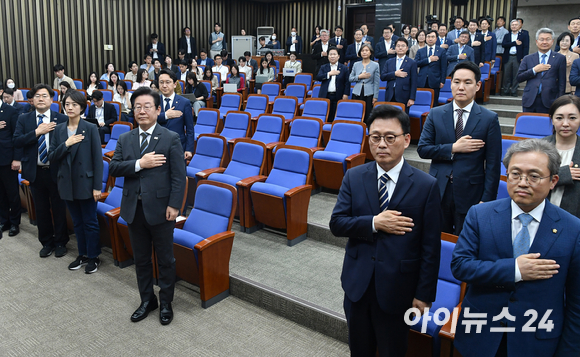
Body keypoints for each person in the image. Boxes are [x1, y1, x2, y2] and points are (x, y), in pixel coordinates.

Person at [329, 104, 441, 357]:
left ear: (406, 139)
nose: (382, 144)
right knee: (359, 349)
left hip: (399, 288)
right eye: (375, 137)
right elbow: (337, 224)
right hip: (357, 285)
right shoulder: (354, 177)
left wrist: (424, 295)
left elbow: (430, 246)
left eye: (390, 138)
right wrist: (373, 223)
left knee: (393, 350)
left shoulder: (426, 185)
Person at [451, 138, 580, 357]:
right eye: (515, 174)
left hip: (538, 340)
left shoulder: (572, 228)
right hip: (481, 335)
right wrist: (515, 270)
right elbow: (461, 266)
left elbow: (576, 303)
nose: (523, 182)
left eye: (534, 176)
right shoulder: (480, 215)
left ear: (553, 181)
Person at [109, 86, 186, 326]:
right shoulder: (125, 138)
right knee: (141, 259)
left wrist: (175, 205)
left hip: (162, 209)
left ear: (158, 110)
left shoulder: (170, 137)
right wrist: (140, 163)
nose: (141, 111)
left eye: (147, 107)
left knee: (165, 260)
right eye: (137, 107)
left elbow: (178, 176)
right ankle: (146, 300)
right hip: (134, 208)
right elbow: (114, 168)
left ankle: (165, 302)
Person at [418, 61, 502, 235]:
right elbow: (423, 149)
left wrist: (487, 199)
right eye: (456, 82)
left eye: (467, 82)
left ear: (478, 85)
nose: (461, 87)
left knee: (466, 242)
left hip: (471, 192)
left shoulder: (489, 119)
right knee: (437, 239)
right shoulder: (435, 114)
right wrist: (453, 148)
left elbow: (493, 164)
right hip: (438, 189)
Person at [47, 90, 103, 273]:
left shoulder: (91, 128)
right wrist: (67, 144)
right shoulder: (59, 129)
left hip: (86, 184)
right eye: (67, 104)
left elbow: (97, 160)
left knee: (90, 221)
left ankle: (93, 257)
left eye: (74, 104)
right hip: (67, 183)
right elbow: (52, 156)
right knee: (77, 222)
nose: (70, 108)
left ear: (82, 107)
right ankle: (82, 254)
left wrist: (97, 186)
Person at [13, 84, 69, 257]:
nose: (41, 99)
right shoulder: (25, 119)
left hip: (56, 171)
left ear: (51, 99)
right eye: (37, 96)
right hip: (35, 171)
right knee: (41, 209)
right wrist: (37, 132)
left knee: (59, 208)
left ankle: (61, 242)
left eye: (45, 96)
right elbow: (17, 141)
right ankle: (46, 242)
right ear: (32, 100)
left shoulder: (61, 118)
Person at [543, 95, 580, 218]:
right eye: (559, 118)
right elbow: (529, 180)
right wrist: (563, 174)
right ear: (552, 120)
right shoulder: (538, 148)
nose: (565, 124)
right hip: (542, 215)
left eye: (572, 118)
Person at [517, 28, 566, 114]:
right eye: (541, 39)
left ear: (552, 41)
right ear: (536, 42)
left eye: (548, 39)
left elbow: (562, 82)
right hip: (530, 99)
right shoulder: (527, 58)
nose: (544, 42)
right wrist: (534, 70)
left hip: (550, 100)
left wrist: (559, 101)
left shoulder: (560, 58)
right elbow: (519, 77)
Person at [157, 69, 195, 160]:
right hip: (157, 147)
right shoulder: (154, 101)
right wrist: (165, 115)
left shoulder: (184, 102)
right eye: (161, 82)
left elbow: (190, 128)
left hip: (178, 146)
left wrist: (189, 149)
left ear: (174, 84)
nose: (164, 85)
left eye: (168, 82)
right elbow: (147, 121)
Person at [0, 94, 21, 238]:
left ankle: (14, 222)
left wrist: (17, 159)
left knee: (12, 192)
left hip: (7, 159)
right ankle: (3, 220)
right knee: (0, 193)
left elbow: (17, 136)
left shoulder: (10, 110)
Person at [382, 38, 417, 109]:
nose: (400, 48)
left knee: (402, 118)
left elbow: (414, 82)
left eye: (403, 46)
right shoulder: (389, 62)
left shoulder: (412, 63)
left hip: (404, 95)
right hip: (390, 94)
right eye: (398, 46)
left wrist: (412, 98)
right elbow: (383, 76)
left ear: (407, 48)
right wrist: (394, 74)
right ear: (395, 48)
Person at [349, 43, 380, 125]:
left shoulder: (375, 65)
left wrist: (375, 96)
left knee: (368, 114)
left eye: (366, 50)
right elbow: (350, 78)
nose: (364, 52)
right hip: (357, 92)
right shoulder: (356, 64)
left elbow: (376, 82)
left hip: (369, 93)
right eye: (362, 50)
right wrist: (359, 76)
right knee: (356, 112)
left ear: (370, 52)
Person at [316, 47, 350, 121]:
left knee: (336, 116)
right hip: (325, 95)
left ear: (338, 56)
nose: (332, 56)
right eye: (330, 54)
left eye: (334, 54)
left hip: (338, 95)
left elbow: (347, 82)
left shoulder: (344, 68)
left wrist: (346, 94)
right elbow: (318, 77)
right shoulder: (324, 67)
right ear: (328, 56)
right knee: (325, 116)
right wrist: (329, 74)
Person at [415, 30, 447, 101]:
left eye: (432, 37)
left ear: (436, 39)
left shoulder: (441, 51)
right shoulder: (420, 51)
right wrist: (429, 60)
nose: (430, 39)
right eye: (428, 37)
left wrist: (442, 81)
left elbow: (444, 67)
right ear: (426, 38)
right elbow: (416, 63)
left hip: (435, 80)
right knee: (421, 101)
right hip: (422, 80)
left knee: (434, 102)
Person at [501, 19, 530, 96]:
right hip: (508, 57)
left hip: (518, 57)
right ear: (510, 26)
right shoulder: (507, 35)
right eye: (512, 25)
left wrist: (524, 57)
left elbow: (526, 47)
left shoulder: (523, 35)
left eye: (515, 25)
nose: (514, 26)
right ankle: (506, 90)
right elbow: (504, 44)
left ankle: (514, 90)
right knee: (506, 75)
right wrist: (514, 43)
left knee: (516, 75)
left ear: (519, 26)